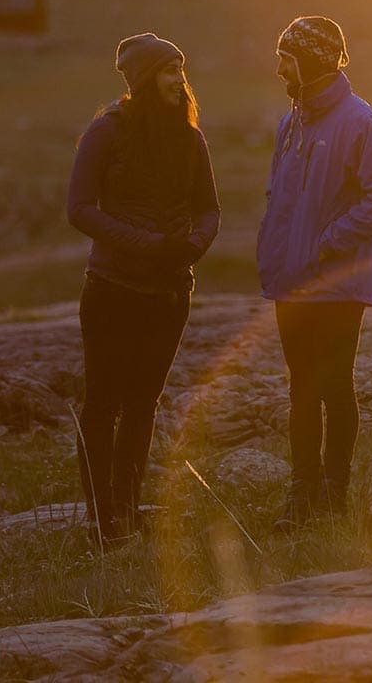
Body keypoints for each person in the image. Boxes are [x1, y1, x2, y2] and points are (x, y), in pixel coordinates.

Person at [67, 33, 220, 547]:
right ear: (142, 79)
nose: (179, 79)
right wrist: (146, 244)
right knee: (102, 404)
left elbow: (209, 208)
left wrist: (191, 247)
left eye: (180, 68)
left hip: (170, 292)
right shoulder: (105, 132)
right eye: (167, 71)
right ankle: (101, 519)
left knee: (143, 405)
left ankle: (126, 514)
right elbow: (80, 208)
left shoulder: (190, 138)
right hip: (112, 288)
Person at [257, 15, 372, 530]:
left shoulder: (361, 122)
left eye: (287, 59)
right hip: (291, 282)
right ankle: (303, 500)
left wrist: (329, 245)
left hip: (337, 283)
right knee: (301, 388)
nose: (279, 68)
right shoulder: (290, 123)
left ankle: (335, 501)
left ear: (314, 63)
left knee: (335, 387)